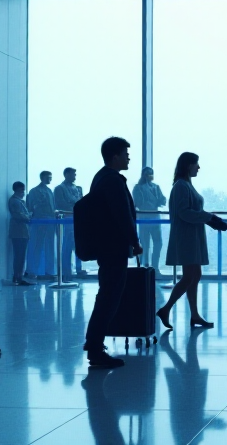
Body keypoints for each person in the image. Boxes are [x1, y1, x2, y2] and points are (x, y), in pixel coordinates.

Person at [84, 137, 142, 368]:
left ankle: (94, 344)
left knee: (106, 295)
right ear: (115, 156)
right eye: (126, 154)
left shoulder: (101, 177)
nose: (129, 157)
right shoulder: (112, 181)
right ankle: (95, 348)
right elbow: (122, 214)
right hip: (112, 247)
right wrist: (134, 241)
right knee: (109, 297)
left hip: (106, 246)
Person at [158, 152, 227, 329]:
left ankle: (194, 315)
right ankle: (166, 309)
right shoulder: (181, 186)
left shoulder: (185, 185)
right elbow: (184, 212)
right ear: (189, 165)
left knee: (195, 275)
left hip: (191, 236)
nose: (198, 167)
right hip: (186, 237)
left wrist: (210, 220)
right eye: (196, 164)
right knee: (190, 276)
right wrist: (209, 217)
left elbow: (189, 212)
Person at [132, 167, 167, 269]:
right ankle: (145, 265)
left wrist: (158, 199)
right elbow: (138, 202)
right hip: (144, 219)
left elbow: (163, 200)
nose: (149, 176)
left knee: (158, 243)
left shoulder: (156, 187)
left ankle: (155, 265)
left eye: (151, 173)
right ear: (143, 175)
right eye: (147, 174)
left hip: (155, 218)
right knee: (145, 243)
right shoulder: (138, 188)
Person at [54, 167, 84, 280]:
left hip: (78, 220)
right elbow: (61, 204)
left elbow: (82, 202)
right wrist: (75, 206)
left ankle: (79, 269)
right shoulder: (59, 189)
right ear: (66, 174)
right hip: (66, 220)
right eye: (72, 174)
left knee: (79, 245)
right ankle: (66, 270)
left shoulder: (78, 188)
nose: (74, 176)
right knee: (66, 246)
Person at [26, 171, 56, 280]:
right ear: (42, 177)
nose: (50, 179)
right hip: (39, 221)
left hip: (51, 222)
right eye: (48, 177)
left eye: (51, 177)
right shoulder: (34, 191)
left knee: (50, 247)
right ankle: (34, 271)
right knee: (37, 246)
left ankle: (49, 271)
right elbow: (31, 207)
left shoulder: (49, 191)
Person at [8, 181, 34, 286]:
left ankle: (19, 276)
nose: (23, 192)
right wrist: (29, 216)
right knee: (19, 256)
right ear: (16, 190)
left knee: (21, 256)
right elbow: (19, 216)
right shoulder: (15, 201)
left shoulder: (20, 201)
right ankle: (17, 277)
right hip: (19, 232)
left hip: (22, 232)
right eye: (21, 190)